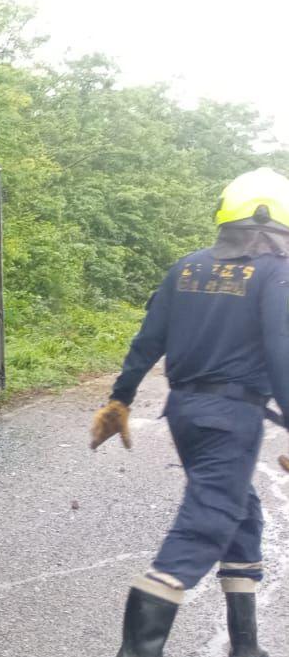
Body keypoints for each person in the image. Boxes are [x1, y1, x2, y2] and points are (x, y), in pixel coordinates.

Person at [89, 167, 289, 656]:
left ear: (227, 217)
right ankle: (136, 651)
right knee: (209, 521)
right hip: (231, 416)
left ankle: (246, 647)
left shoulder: (187, 267)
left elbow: (148, 338)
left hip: (186, 411)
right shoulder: (278, 273)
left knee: (240, 511)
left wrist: (121, 398)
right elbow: (281, 346)